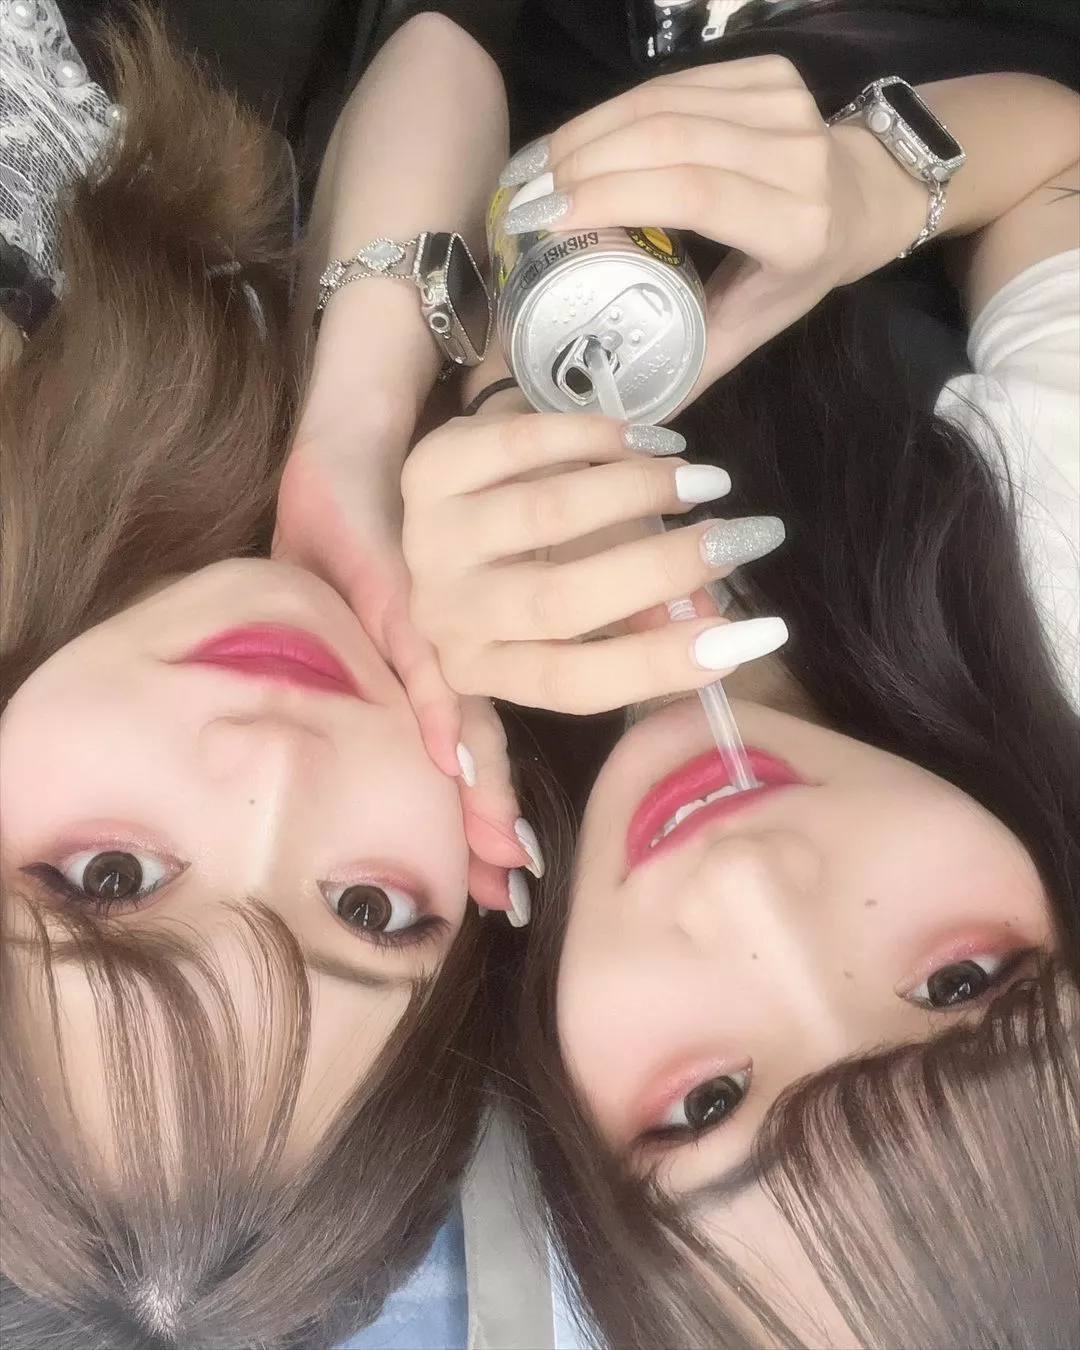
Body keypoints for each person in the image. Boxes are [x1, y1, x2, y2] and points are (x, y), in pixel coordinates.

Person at [400, 50, 1080, 1347]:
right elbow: (1060, 159)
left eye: (705, 1104)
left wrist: (468, 410)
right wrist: (874, 184)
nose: (750, 879)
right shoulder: (1057, 600)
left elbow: (427, 68)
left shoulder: (407, 847)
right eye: (962, 983)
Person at [0, 9, 549, 1348]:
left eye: (108, 879)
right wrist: (359, 425)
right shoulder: (453, 596)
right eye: (369, 910)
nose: (278, 768)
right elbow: (447, 41)